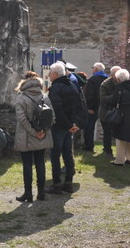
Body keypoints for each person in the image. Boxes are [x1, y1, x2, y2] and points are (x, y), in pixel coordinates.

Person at [13, 71, 53, 202]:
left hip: (26, 136)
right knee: (40, 163)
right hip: (42, 135)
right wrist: (43, 131)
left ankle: (28, 193)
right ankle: (41, 193)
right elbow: (51, 116)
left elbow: (22, 119)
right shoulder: (44, 96)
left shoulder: (21, 98)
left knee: (27, 165)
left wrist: (33, 132)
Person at [47, 61, 83, 194]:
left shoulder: (56, 88)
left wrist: (69, 125)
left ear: (56, 74)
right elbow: (79, 106)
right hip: (70, 125)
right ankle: (68, 182)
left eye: (50, 73)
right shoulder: (72, 85)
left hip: (59, 126)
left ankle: (57, 184)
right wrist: (74, 124)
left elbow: (57, 110)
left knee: (55, 155)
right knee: (68, 154)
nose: (49, 75)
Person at [110, 69, 130, 166]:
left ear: (119, 79)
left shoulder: (119, 88)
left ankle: (119, 160)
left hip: (122, 115)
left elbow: (114, 101)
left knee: (120, 138)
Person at [84, 62, 108, 153]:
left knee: (89, 127)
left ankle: (89, 147)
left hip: (94, 108)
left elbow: (90, 94)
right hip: (105, 107)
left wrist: (89, 107)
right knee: (106, 128)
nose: (92, 69)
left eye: (93, 67)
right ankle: (107, 148)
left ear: (96, 69)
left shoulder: (92, 80)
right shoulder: (107, 79)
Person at [97, 66, 121, 158]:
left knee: (116, 132)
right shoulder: (106, 84)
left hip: (117, 111)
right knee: (107, 132)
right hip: (106, 112)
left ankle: (119, 152)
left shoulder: (121, 82)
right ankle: (108, 151)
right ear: (112, 75)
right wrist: (115, 96)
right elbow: (103, 99)